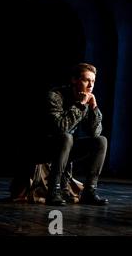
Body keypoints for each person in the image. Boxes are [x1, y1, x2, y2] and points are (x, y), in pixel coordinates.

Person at [43, 62, 109, 206]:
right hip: (44, 147)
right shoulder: (55, 96)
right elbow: (60, 128)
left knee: (101, 141)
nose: (91, 85)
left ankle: (89, 192)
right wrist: (80, 105)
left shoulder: (85, 99)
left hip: (66, 147)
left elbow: (95, 132)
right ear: (74, 80)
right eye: (86, 80)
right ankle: (53, 191)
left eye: (93, 81)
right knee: (67, 137)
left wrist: (93, 108)